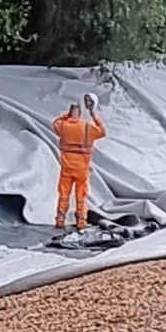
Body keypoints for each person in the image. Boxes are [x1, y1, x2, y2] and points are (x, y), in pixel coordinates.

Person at [53, 94, 105, 233]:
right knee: (81, 195)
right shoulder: (87, 128)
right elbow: (102, 131)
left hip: (66, 168)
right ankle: (81, 221)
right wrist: (93, 113)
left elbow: (55, 123)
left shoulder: (63, 125)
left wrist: (67, 116)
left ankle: (60, 220)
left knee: (64, 194)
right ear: (81, 114)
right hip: (82, 168)